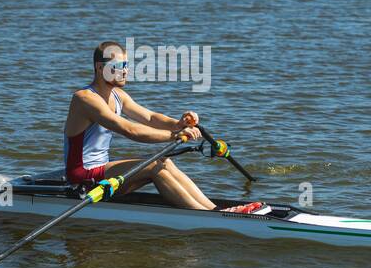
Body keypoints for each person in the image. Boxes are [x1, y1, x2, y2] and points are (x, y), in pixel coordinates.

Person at [62, 41, 265, 213]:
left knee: (165, 163)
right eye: (119, 65)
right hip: (81, 177)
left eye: (127, 64)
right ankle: (206, 216)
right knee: (154, 166)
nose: (125, 70)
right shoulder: (85, 99)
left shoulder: (118, 95)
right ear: (99, 68)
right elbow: (128, 129)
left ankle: (215, 211)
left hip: (100, 172)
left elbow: (150, 118)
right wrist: (174, 135)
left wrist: (179, 123)